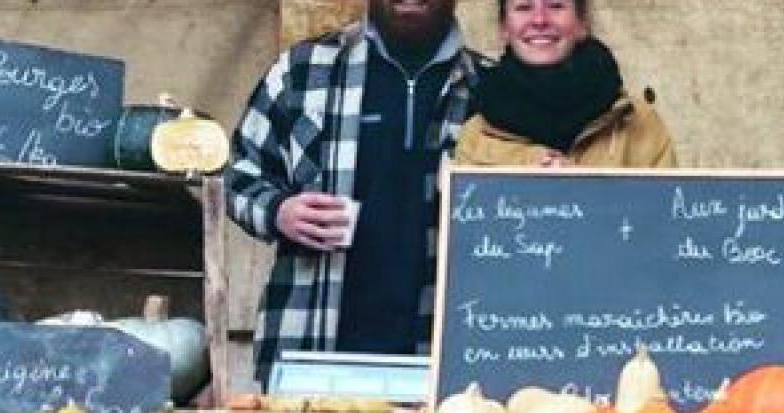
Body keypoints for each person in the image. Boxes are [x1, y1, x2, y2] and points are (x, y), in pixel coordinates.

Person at [226, 0, 483, 386]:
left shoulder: (489, 87)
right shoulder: (303, 70)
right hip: (310, 346)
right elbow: (237, 175)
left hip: (446, 358)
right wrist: (279, 211)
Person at [456, 0, 676, 168]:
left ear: (582, 24)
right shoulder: (476, 138)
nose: (540, 20)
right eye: (524, 7)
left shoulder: (640, 124)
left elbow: (663, 220)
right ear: (504, 28)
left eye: (556, 5)